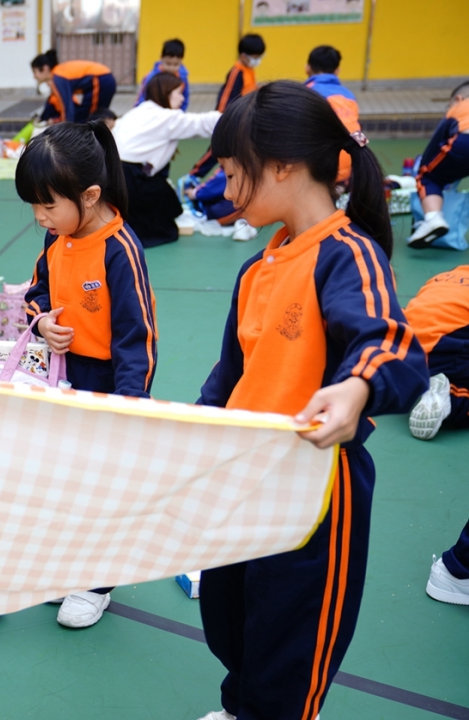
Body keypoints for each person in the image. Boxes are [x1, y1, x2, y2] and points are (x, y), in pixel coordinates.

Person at [194, 81, 428, 720]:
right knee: (230, 615)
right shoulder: (257, 267)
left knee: (291, 640)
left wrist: (356, 387)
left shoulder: (347, 254)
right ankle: (242, 705)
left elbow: (392, 346)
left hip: (317, 490)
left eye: (233, 174)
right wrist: (188, 435)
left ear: (282, 166)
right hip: (245, 476)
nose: (225, 192)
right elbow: (230, 376)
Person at [18, 121, 158, 629]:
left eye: (47, 205)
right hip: (62, 380)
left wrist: (128, 405)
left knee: (104, 489)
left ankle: (97, 584)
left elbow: (137, 338)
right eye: (34, 206)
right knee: (66, 482)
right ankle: (69, 568)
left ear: (90, 195)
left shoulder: (120, 250)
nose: (40, 217)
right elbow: (36, 291)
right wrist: (43, 322)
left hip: (107, 385)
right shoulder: (57, 238)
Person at [112, 72, 220, 247]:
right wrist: (233, 116)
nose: (182, 98)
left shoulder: (136, 112)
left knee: (168, 196)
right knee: (165, 222)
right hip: (133, 183)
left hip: (113, 180)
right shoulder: (166, 117)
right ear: (165, 93)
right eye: (178, 93)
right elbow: (202, 123)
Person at [404, 266, 469, 440]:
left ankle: (422, 380)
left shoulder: (446, 276)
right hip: (446, 349)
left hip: (403, 348)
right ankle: (452, 399)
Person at [190, 34, 264, 179]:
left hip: (242, 120)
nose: (257, 61)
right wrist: (222, 118)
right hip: (229, 119)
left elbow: (249, 90)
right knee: (215, 151)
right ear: (243, 56)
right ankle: (193, 175)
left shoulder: (249, 70)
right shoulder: (236, 72)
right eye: (254, 57)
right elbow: (226, 96)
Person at [410, 81, 469, 247]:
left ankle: (433, 219)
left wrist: (425, 168)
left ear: (458, 99)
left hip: (465, 142)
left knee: (428, 177)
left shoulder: (458, 109)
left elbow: (433, 148)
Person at [305, 45, 360, 185]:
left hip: (320, 171)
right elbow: (357, 132)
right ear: (337, 71)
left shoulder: (306, 93)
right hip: (349, 168)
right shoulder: (349, 96)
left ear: (307, 68)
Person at [31, 50, 116, 124]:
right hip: (103, 79)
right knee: (89, 116)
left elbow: (66, 107)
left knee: (92, 117)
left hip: (100, 79)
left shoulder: (57, 77)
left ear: (45, 68)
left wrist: (66, 129)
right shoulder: (59, 73)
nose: (34, 77)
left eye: (35, 72)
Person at [137, 39, 189, 111]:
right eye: (168, 64)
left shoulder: (182, 78)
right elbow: (142, 97)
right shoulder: (152, 77)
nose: (171, 68)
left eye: (176, 64)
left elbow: (185, 97)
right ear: (161, 57)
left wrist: (181, 113)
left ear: (181, 60)